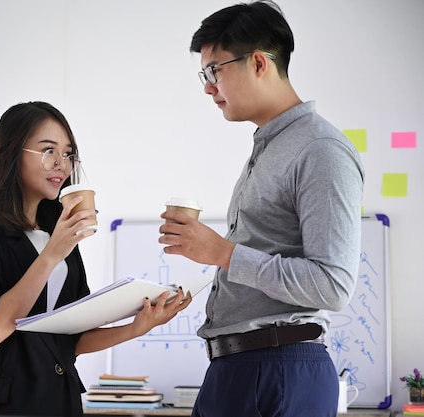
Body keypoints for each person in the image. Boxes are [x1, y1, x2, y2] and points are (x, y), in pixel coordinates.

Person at [158, 2, 364, 416]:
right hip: (239, 367)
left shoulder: (320, 150)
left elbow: (332, 286)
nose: (207, 87)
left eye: (214, 70)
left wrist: (222, 253)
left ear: (257, 63)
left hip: (277, 370)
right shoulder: (268, 147)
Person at [0, 101, 191, 417]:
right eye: (48, 150)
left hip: (64, 401)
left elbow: (72, 339)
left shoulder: (58, 229)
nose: (61, 164)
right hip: (11, 405)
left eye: (68, 153)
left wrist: (137, 327)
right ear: (12, 152)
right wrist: (51, 254)